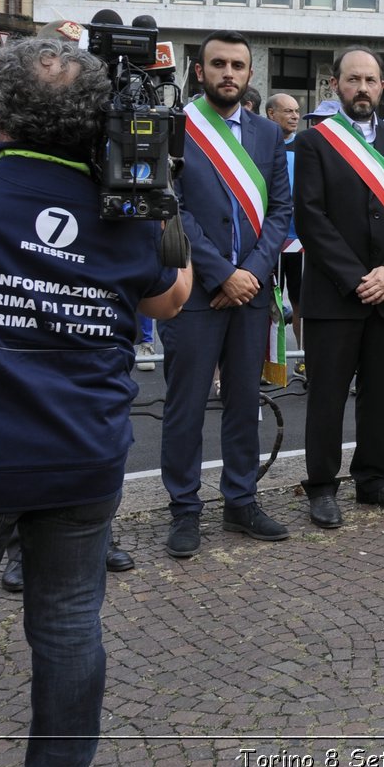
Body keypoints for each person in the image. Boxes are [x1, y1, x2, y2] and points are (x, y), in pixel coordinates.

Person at [0, 38, 190, 767]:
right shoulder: (125, 211)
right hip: (80, 453)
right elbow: (170, 297)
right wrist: (167, 189)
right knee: (70, 625)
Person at [160, 30, 294, 558]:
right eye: (218, 64)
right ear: (199, 71)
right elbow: (171, 207)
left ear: (250, 74)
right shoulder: (178, 128)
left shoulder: (266, 134)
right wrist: (222, 274)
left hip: (251, 292)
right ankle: (185, 510)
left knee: (244, 402)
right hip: (194, 291)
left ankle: (241, 501)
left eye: (238, 65)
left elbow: (280, 211)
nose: (229, 73)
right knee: (185, 406)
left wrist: (251, 275)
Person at [292, 47, 384, 527]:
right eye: (353, 80)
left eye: (371, 80)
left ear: (382, 86)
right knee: (328, 395)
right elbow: (311, 219)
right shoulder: (315, 143)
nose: (363, 89)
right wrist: (356, 278)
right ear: (336, 86)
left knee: (381, 394)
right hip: (335, 295)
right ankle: (322, 487)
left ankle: (374, 481)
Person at [266, 92, 305, 351]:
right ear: (271, 114)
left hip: (300, 240)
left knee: (301, 299)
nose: (294, 116)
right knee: (268, 300)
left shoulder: (305, 147)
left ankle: (304, 356)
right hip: (269, 238)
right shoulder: (259, 145)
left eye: (297, 111)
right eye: (288, 111)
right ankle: (265, 360)